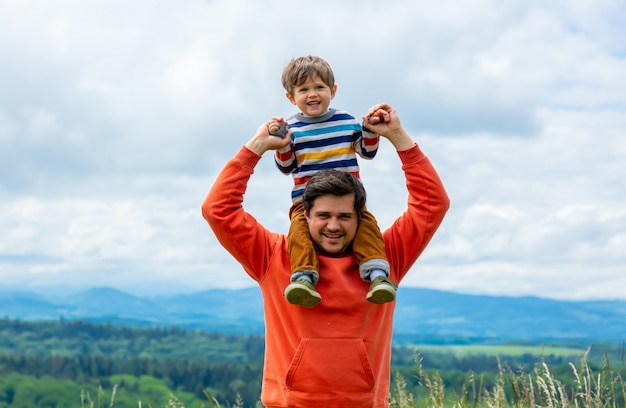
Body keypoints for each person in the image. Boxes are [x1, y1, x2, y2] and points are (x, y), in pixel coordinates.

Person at [202, 103, 450, 407]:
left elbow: (431, 205)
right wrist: (256, 147)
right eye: (323, 215)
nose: (333, 226)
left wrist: (399, 138)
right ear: (305, 215)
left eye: (344, 216)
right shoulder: (274, 256)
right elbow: (218, 210)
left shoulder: (384, 261)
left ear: (361, 217)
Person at [270, 55, 393, 308]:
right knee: (299, 234)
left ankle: (378, 276)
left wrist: (370, 129)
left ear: (332, 91)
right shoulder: (291, 128)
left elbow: (367, 151)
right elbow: (287, 167)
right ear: (291, 98)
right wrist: (279, 142)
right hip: (307, 204)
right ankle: (303, 277)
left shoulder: (346, 120)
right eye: (303, 89)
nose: (312, 94)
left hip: (349, 200)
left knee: (368, 228)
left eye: (319, 87)